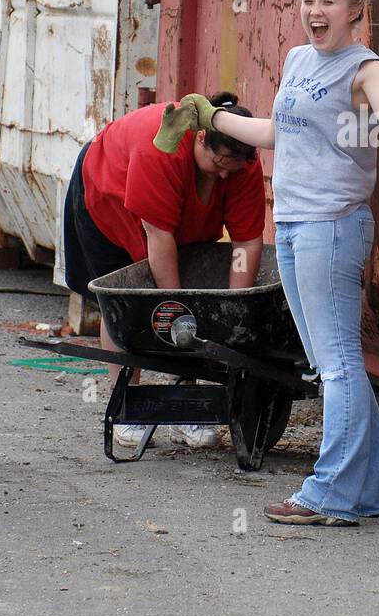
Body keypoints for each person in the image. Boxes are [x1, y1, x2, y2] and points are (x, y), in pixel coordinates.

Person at [158, 0, 379, 524]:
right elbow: (275, 130)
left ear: (356, 11)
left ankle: (328, 494)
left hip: (333, 226)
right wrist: (209, 116)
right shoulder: (298, 58)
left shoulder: (363, 68)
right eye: (307, 1)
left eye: (327, 2)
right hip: (292, 224)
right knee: (329, 361)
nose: (314, 12)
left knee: (337, 362)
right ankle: (368, 493)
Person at [62, 92, 266, 447]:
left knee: (186, 304)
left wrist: (235, 308)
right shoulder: (161, 149)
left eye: (230, 169)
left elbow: (247, 243)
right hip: (106, 196)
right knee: (124, 301)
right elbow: (158, 235)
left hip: (175, 224)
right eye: (218, 164)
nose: (222, 176)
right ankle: (127, 408)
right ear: (200, 138)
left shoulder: (241, 162)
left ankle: (187, 410)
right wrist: (176, 311)